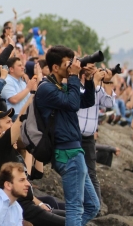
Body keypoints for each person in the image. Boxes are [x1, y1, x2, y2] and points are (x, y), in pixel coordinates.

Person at [35, 46, 99, 226]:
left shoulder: (60, 86)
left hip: (74, 150)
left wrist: (88, 79)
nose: (72, 67)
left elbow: (86, 101)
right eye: (67, 64)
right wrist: (73, 77)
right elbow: (72, 104)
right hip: (66, 152)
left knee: (92, 205)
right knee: (75, 208)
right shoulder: (46, 88)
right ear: (55, 67)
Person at [0, 108, 66, 226]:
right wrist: (33, 94)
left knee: (75, 216)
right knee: (72, 221)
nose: (13, 125)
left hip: (27, 205)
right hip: (21, 208)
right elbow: (21, 118)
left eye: (12, 121)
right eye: (8, 122)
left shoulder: (11, 152)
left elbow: (35, 174)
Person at [77, 68, 114, 205]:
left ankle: (96, 206)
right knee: (78, 171)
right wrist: (95, 81)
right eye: (91, 68)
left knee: (91, 172)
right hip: (75, 136)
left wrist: (108, 81)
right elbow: (84, 96)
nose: (94, 70)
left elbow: (109, 103)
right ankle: (81, 203)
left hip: (89, 137)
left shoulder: (98, 89)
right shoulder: (75, 86)